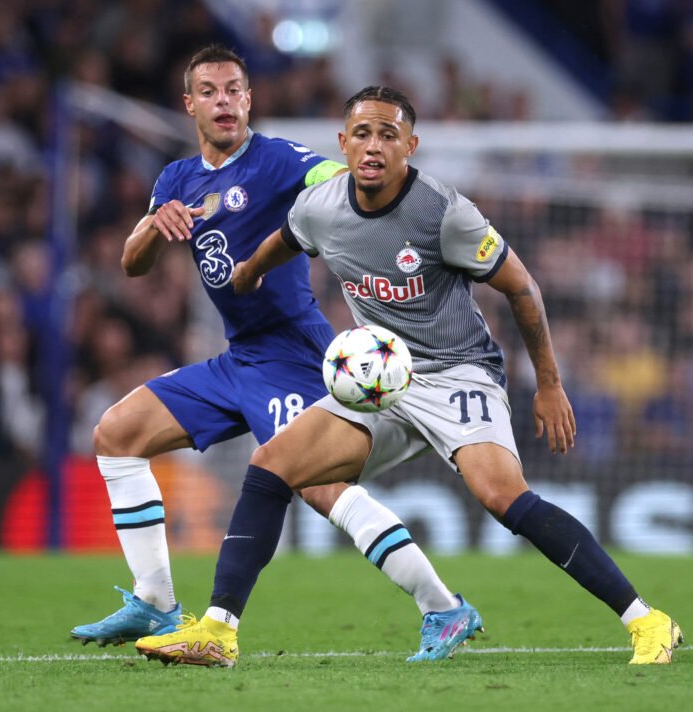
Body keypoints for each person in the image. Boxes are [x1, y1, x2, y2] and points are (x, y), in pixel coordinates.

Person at [135, 86, 683, 668]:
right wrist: (245, 274)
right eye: (363, 134)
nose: (374, 147)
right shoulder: (321, 206)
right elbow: (287, 239)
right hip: (382, 380)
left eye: (388, 136)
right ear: (343, 144)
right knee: (271, 466)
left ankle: (647, 621)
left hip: (458, 374)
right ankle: (218, 633)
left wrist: (548, 383)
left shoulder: (444, 213)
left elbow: (522, 287)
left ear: (410, 147)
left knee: (503, 496)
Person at [72, 47, 479, 663]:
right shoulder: (177, 179)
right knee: (117, 432)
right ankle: (154, 601)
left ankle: (443, 606)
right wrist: (156, 223)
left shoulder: (278, 160)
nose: (224, 102)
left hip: (293, 354)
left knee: (319, 487)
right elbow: (132, 264)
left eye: (234, 90)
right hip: (237, 358)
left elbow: (330, 179)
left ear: (249, 99)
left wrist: (371, 184)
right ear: (190, 105)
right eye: (209, 92)